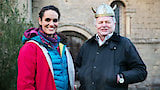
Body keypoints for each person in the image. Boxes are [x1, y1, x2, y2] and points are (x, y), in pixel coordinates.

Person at [75, 3, 147, 90]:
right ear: (96, 25)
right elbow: (77, 68)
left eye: (107, 22)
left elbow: (141, 71)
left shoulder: (124, 43)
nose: (104, 25)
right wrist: (83, 75)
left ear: (114, 23)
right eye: (100, 22)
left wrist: (121, 77)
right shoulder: (87, 45)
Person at [17, 5, 75, 90]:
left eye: (55, 20)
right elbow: (25, 84)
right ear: (40, 21)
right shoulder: (30, 48)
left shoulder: (62, 47)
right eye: (47, 20)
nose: (51, 24)